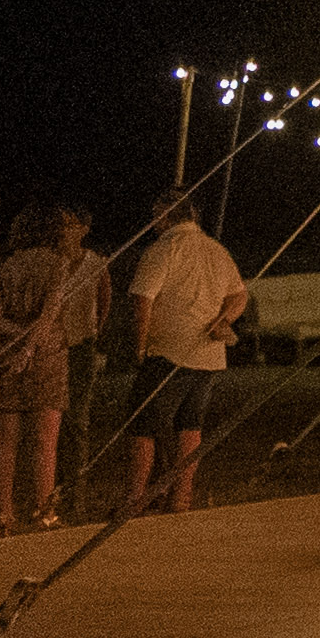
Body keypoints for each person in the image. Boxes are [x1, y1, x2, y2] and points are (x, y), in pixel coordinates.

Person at [113, 192, 251, 512]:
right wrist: (223, 320)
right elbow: (239, 295)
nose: (153, 222)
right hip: (209, 354)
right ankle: (181, 495)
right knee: (190, 424)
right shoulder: (217, 251)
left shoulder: (163, 250)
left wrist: (140, 344)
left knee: (143, 424)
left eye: (155, 215)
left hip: (169, 350)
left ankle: (135, 497)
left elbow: (142, 300)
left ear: (165, 216)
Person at [0, 202, 99, 533]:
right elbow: (49, 314)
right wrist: (31, 345)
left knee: (5, 437)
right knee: (45, 438)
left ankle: (4, 513)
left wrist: (17, 338)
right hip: (48, 355)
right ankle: (43, 510)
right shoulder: (57, 265)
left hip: (8, 355)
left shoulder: (6, 266)